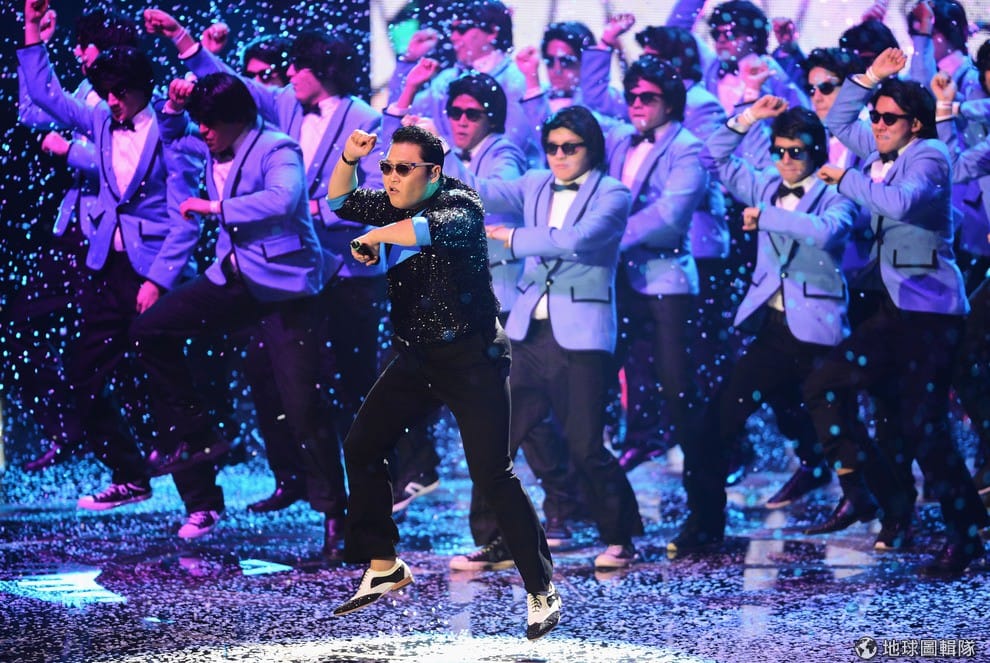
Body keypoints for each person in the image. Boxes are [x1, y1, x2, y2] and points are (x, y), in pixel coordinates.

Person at [326, 125, 559, 640]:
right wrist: (349, 157)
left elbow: (424, 230)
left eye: (402, 169)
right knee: (361, 447)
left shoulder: (461, 204)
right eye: (386, 168)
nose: (391, 178)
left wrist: (374, 236)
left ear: (433, 172)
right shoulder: (395, 202)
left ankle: (541, 588)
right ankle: (384, 563)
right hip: (417, 357)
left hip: (472, 359)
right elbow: (339, 200)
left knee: (492, 474)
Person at [130, 73, 335, 544]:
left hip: (285, 287)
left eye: (210, 123)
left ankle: (335, 514)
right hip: (235, 278)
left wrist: (215, 208)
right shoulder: (209, 141)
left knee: (302, 405)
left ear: (238, 119)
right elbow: (174, 137)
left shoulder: (278, 147)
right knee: (148, 330)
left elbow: (283, 199)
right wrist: (173, 110)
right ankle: (199, 434)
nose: (203, 132)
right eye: (200, 123)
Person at [807, 48, 988, 575]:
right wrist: (869, 78)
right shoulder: (881, 145)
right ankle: (877, 493)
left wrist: (845, 179)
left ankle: (964, 534)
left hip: (931, 312)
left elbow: (902, 203)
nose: (878, 125)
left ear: (915, 123)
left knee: (922, 426)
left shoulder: (930, 155)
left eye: (889, 118)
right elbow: (838, 119)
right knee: (825, 384)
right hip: (891, 308)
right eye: (877, 116)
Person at [18, 0, 202, 511]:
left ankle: (202, 500)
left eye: (121, 93)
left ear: (142, 87)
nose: (113, 102)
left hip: (154, 271)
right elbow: (43, 95)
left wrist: (158, 280)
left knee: (167, 381)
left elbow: (186, 215)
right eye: (107, 94)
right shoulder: (101, 118)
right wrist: (31, 28)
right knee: (82, 372)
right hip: (107, 265)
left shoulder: (172, 128)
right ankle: (129, 474)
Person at [467, 106, 643, 570]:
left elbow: (578, 239)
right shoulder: (534, 183)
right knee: (496, 440)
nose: (559, 156)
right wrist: (435, 155)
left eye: (570, 147)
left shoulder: (614, 193)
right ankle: (495, 540)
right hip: (528, 333)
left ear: (591, 148)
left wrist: (514, 238)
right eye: (551, 148)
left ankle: (620, 536)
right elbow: (479, 188)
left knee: (585, 445)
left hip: (581, 336)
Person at [684, 100, 857, 550]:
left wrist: (768, 216)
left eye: (795, 152)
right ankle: (705, 525)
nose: (785, 160)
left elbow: (826, 232)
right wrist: (748, 118)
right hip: (772, 329)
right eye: (779, 151)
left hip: (818, 331)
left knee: (842, 430)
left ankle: (888, 507)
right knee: (716, 423)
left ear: (815, 151)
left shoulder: (837, 189)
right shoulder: (764, 184)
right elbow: (711, 158)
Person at [8, 7, 138, 472]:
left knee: (117, 343)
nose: (79, 52)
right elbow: (33, 111)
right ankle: (67, 428)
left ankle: (138, 445)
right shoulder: (87, 90)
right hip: (76, 232)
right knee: (23, 326)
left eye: (85, 44)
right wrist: (36, 40)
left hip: (112, 238)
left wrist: (72, 153)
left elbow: (131, 163)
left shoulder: (134, 94)